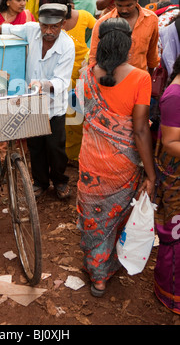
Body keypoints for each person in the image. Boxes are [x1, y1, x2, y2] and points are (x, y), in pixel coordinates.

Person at [77, 18, 156, 297]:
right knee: (115, 215)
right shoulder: (140, 78)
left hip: (90, 159)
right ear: (127, 45)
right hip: (122, 165)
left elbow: (83, 113)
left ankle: (96, 271)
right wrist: (151, 173)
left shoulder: (86, 74)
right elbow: (139, 130)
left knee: (93, 215)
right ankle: (108, 263)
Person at [0, 3, 75, 200]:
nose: (48, 31)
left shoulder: (67, 46)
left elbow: (61, 81)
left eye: (54, 27)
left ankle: (60, 181)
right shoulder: (32, 29)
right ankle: (40, 182)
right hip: (31, 101)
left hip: (53, 105)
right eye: (44, 26)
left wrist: (43, 84)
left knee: (55, 147)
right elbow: (6, 28)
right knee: (35, 146)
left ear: (63, 24)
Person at [47, 0, 96, 162]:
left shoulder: (49, 20)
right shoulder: (83, 16)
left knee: (59, 117)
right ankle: (74, 157)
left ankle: (63, 156)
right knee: (77, 117)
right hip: (79, 77)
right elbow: (99, 29)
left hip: (59, 76)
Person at [89, 0, 160, 75]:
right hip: (111, 81)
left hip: (140, 81)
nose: (124, 10)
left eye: (129, 5)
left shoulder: (151, 19)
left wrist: (150, 80)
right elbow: (93, 58)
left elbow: (152, 56)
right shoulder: (103, 23)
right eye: (119, 5)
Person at [154, 55, 180, 313]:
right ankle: (170, 294)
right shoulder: (175, 96)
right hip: (175, 179)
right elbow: (172, 144)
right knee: (176, 238)